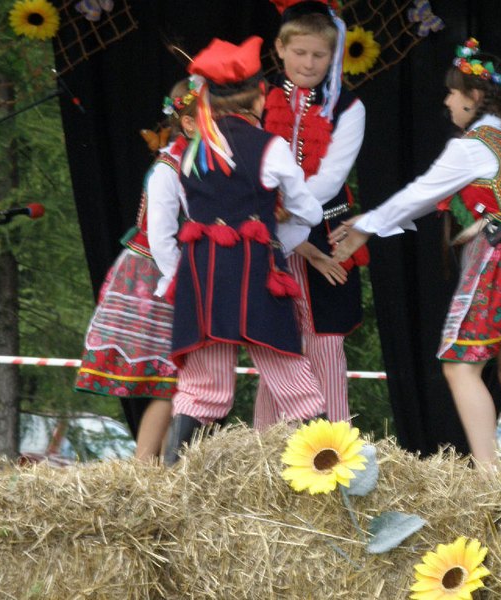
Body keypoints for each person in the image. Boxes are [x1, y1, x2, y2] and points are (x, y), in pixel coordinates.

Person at [331, 38, 501, 467]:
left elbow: (421, 193)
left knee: (459, 367)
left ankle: (488, 476)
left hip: (498, 257)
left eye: (452, 92)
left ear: (474, 96)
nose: (447, 101)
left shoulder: (472, 146)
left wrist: (367, 225)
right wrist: (371, 222)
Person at [164, 36, 327, 465]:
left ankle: (169, 485)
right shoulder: (269, 147)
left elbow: (189, 212)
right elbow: (309, 211)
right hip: (256, 274)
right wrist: (276, 238)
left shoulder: (188, 149)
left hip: (202, 274)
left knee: (202, 388)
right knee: (292, 382)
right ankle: (333, 480)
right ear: (260, 95)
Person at [251, 0, 367, 430]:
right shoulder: (259, 98)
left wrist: (287, 215)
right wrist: (275, 220)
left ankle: (334, 447)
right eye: (299, 52)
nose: (309, 63)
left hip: (327, 232)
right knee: (276, 345)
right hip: (266, 233)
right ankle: (264, 448)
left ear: (333, 55)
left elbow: (331, 178)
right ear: (280, 48)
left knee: (326, 343)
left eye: (319, 55)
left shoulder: (348, 107)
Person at [75, 76, 200, 462]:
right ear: (189, 121)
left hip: (172, 271)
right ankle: (146, 467)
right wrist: (181, 284)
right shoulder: (170, 166)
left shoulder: (196, 161)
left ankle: (159, 467)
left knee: (179, 381)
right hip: (155, 275)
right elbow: (161, 237)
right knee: (169, 378)